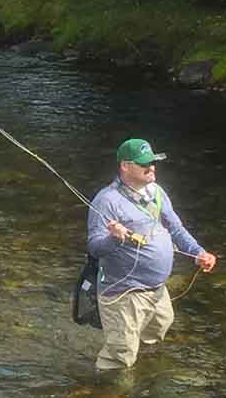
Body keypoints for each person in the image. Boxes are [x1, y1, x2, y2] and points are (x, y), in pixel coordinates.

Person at [86, 138, 215, 371]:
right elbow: (94, 247)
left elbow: (176, 228)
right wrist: (115, 237)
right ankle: (109, 397)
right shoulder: (106, 201)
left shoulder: (156, 192)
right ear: (125, 166)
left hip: (157, 289)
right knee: (119, 357)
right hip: (123, 293)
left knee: (158, 331)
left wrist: (198, 252)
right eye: (145, 163)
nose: (152, 167)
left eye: (153, 162)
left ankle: (142, 376)